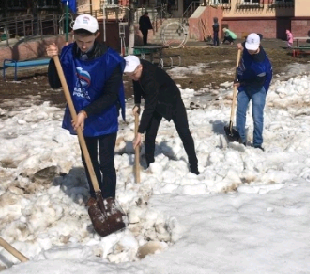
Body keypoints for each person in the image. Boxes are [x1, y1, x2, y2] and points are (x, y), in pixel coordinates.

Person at [46, 14, 126, 204]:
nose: (83, 45)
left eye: (88, 41)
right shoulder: (68, 54)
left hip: (103, 115)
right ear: (73, 34)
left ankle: (108, 198)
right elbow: (56, 83)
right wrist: (53, 59)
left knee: (106, 162)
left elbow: (110, 96)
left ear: (97, 35)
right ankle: (94, 193)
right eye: (79, 40)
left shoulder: (110, 59)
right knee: (89, 159)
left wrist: (85, 112)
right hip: (80, 115)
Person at [123, 55, 199, 175]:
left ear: (140, 67)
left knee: (184, 132)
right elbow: (137, 84)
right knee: (150, 134)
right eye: (129, 75)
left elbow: (149, 108)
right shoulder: (137, 69)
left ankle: (194, 165)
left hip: (172, 102)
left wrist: (139, 132)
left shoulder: (150, 78)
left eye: (133, 74)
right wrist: (137, 102)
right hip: (156, 102)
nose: (132, 77)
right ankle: (150, 165)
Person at [235, 33, 272, 151]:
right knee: (240, 111)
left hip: (258, 87)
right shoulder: (250, 45)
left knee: (257, 116)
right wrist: (241, 46)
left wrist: (241, 83)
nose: (249, 51)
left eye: (252, 49)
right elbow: (257, 35)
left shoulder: (260, 65)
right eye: (248, 48)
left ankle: (257, 143)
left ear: (259, 45)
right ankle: (240, 139)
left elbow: (257, 82)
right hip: (245, 83)